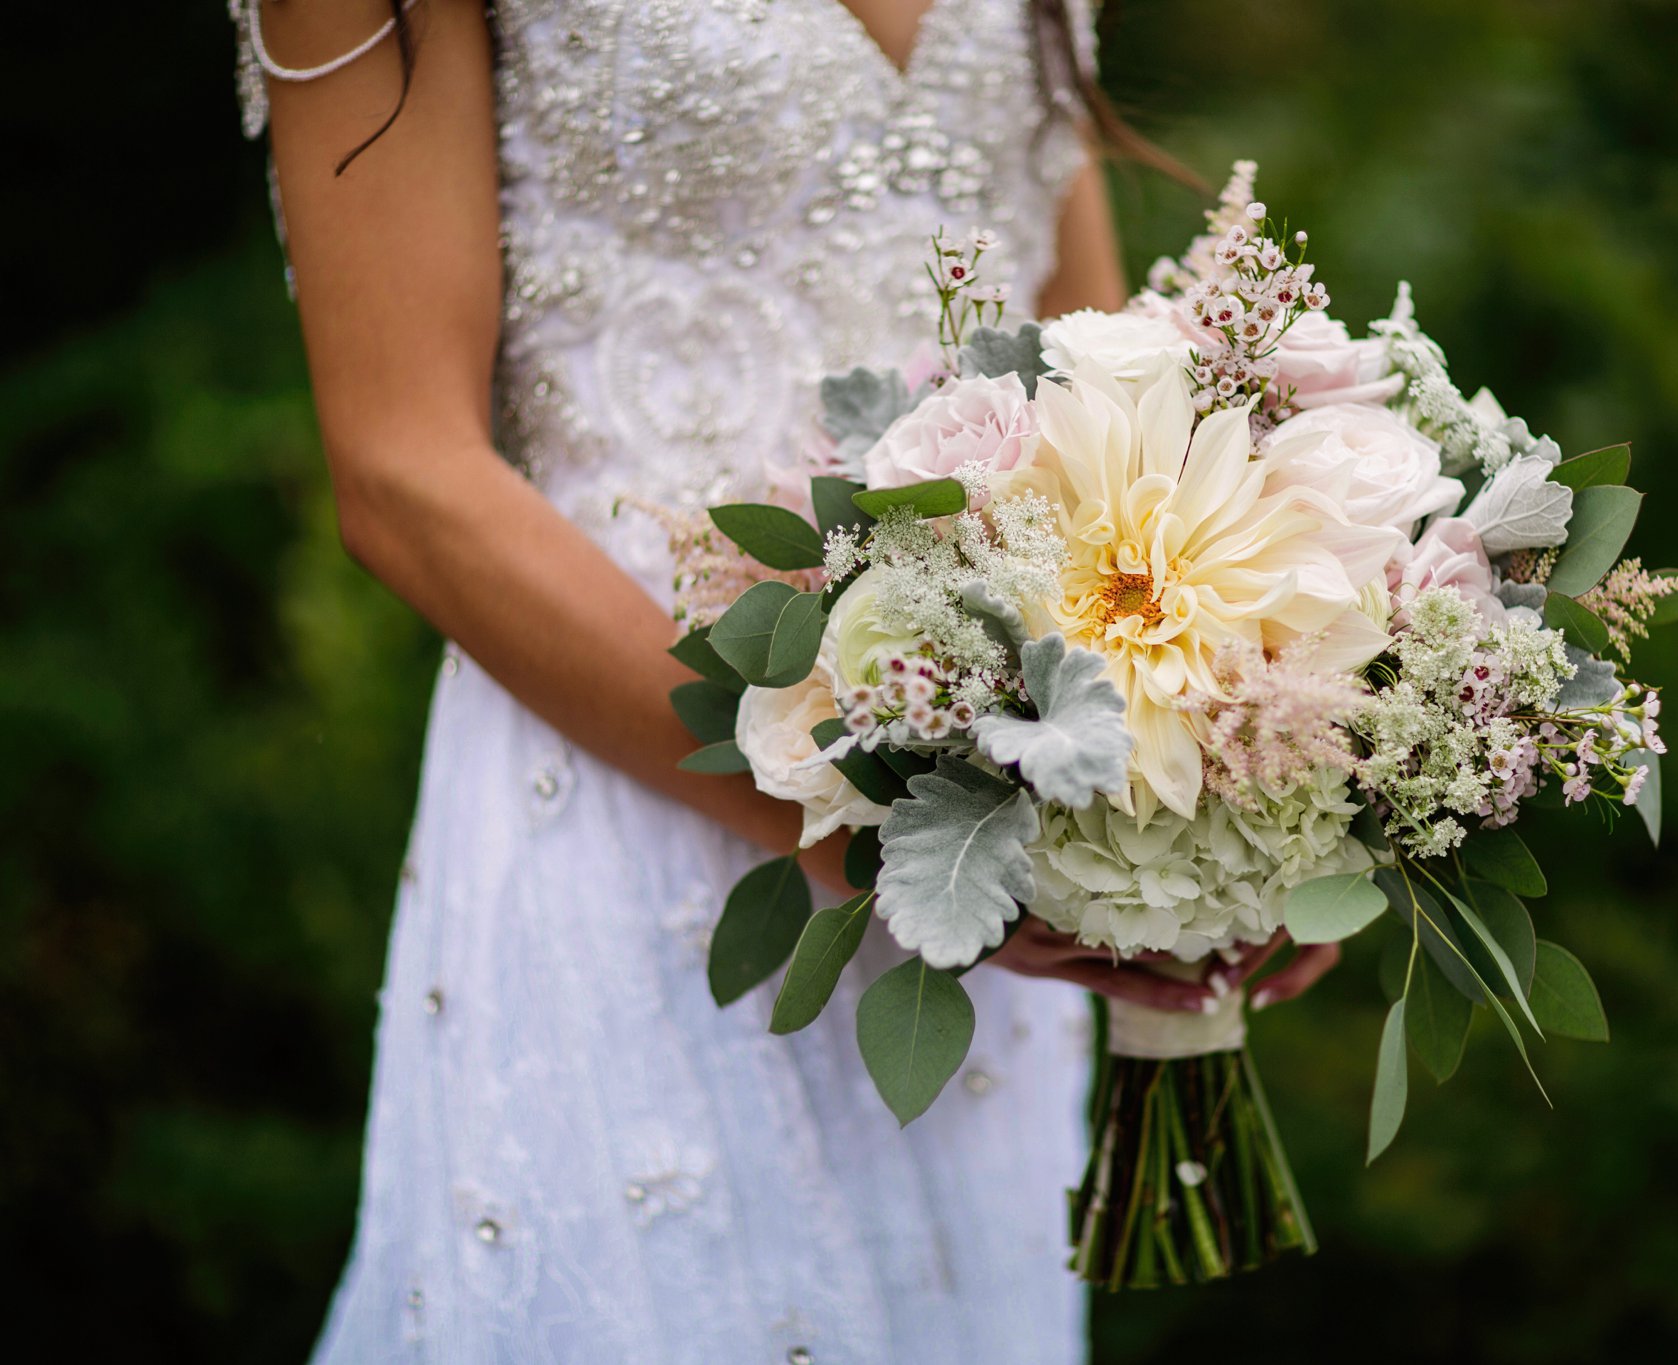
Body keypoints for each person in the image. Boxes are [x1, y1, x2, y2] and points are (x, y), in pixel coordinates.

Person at [234, 2, 1338, 1358]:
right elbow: (406, 476)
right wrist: (841, 821)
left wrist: (1254, 782)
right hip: (629, 805)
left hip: (981, 856)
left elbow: (1081, 364)